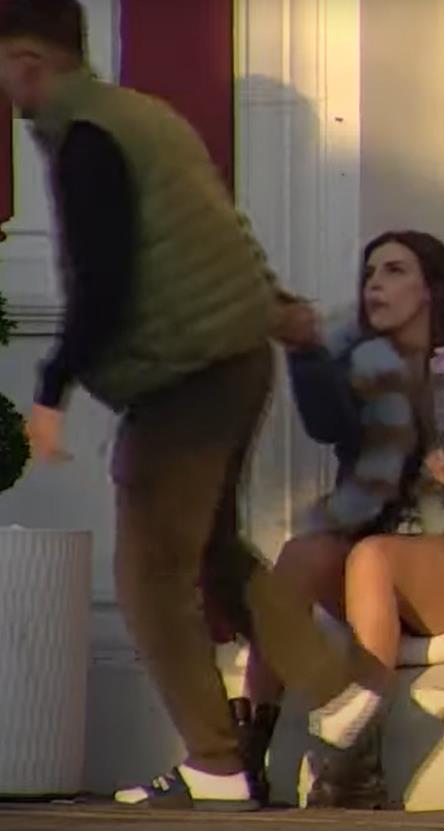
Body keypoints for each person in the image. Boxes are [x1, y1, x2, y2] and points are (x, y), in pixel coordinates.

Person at [0, 0, 393, 811]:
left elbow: (101, 279)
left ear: (29, 61)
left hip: (182, 375)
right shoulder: (148, 118)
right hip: (236, 359)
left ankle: (218, 760)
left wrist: (50, 389)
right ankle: (334, 689)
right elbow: (220, 228)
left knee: (149, 578)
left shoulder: (88, 137)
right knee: (211, 552)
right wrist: (274, 306)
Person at [237, 230, 444, 807]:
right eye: (370, 272)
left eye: (395, 271)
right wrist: (304, 351)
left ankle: (357, 761)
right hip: (374, 563)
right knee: (301, 555)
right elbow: (325, 423)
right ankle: (245, 746)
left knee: (373, 557)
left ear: (432, 290)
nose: (375, 283)